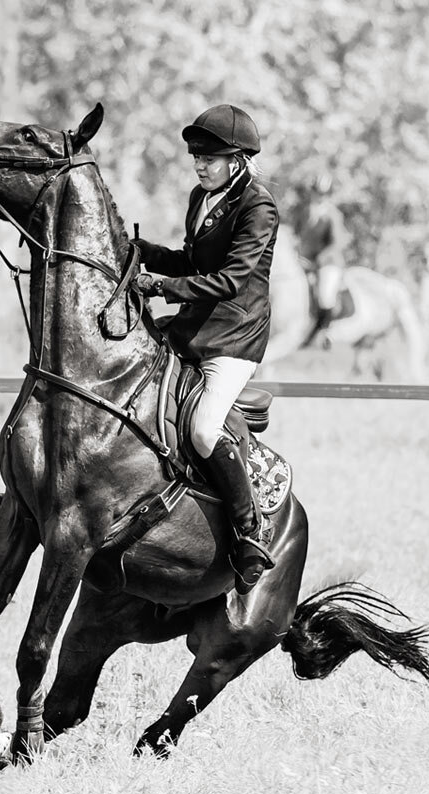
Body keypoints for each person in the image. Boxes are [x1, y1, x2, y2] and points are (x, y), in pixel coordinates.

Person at [132, 103, 278, 595]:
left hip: (234, 336)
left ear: (237, 161)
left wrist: (162, 287)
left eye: (210, 157)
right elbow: (190, 260)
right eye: (196, 155)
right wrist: (146, 253)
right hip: (192, 326)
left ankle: (247, 528)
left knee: (202, 427)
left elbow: (232, 279)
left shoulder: (259, 207)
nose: (199, 164)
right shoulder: (201, 197)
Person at [293, 173, 349, 345]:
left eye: (322, 193)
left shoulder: (333, 215)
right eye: (316, 192)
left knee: (325, 295)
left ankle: (324, 331)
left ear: (328, 195)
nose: (318, 196)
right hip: (304, 260)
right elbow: (296, 234)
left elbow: (337, 243)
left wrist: (318, 260)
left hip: (327, 263)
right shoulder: (304, 211)